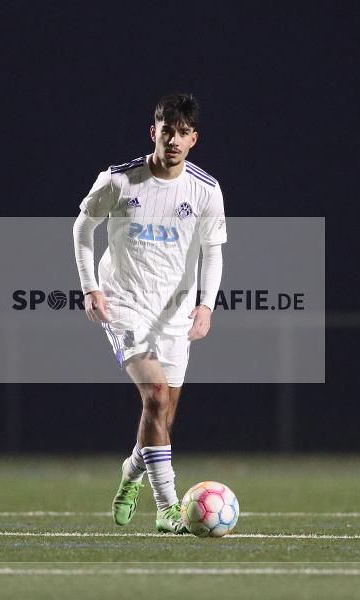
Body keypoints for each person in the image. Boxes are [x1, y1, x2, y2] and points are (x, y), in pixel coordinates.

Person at [72, 93, 226, 534]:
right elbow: (83, 227)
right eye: (166, 130)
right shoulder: (119, 181)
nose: (173, 140)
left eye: (182, 133)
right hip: (125, 306)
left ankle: (131, 474)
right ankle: (168, 507)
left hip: (175, 314)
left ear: (193, 138)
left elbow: (213, 253)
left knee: (163, 416)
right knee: (155, 397)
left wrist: (206, 305)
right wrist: (90, 288)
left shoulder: (205, 189)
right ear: (152, 131)